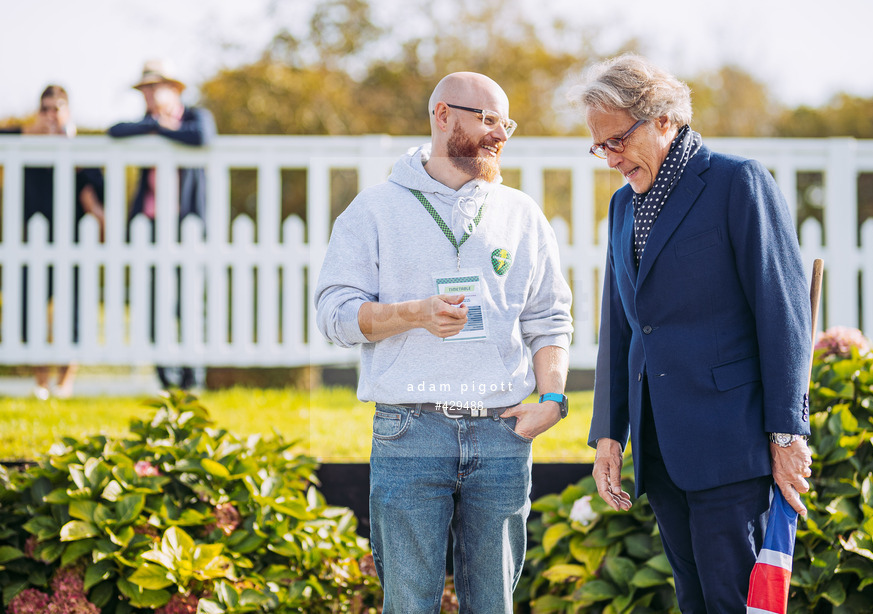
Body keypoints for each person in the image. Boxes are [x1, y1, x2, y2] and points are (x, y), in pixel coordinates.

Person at [315, 72, 574, 613]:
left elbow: (550, 317)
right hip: (409, 431)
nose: (500, 133)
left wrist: (551, 400)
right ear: (442, 116)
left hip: (503, 433)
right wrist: (415, 314)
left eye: (507, 123)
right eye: (488, 119)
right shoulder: (375, 209)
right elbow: (334, 316)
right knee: (409, 605)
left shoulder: (521, 215)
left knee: (493, 604)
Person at [573, 54, 814, 613]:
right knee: (695, 603)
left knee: (736, 603)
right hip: (661, 449)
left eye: (616, 141)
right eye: (599, 146)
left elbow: (785, 316)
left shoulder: (737, 182)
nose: (609, 159)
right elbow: (622, 324)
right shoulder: (622, 206)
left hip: (732, 445)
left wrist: (786, 434)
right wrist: (610, 433)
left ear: (661, 119)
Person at [108, 59, 216, 391]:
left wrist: (162, 130)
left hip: (187, 225)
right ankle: (164, 375)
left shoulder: (196, 116)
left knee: (189, 300)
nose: (149, 96)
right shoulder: (145, 122)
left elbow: (201, 136)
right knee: (153, 299)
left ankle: (190, 374)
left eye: (154, 88)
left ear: (173, 90)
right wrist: (155, 126)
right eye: (145, 90)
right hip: (151, 225)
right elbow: (115, 130)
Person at [4, 85, 105, 399]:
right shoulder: (23, 143)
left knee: (73, 311)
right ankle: (41, 381)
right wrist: (28, 133)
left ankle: (65, 382)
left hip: (72, 242)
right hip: (31, 243)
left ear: (67, 112)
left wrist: (72, 152)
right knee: (29, 311)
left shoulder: (80, 151)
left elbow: (97, 189)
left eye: (56, 108)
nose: (50, 115)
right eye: (45, 109)